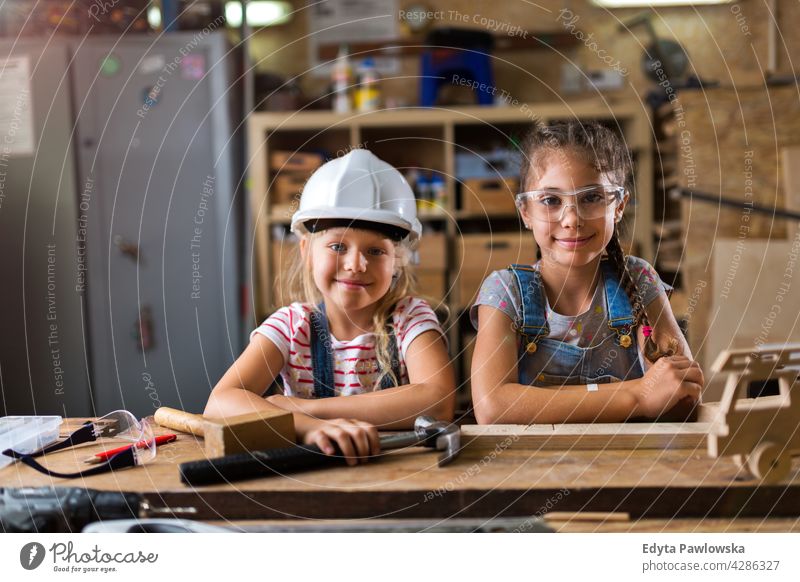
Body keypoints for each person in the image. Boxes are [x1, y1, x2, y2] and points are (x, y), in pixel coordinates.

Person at [205, 149, 455, 464]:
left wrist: (304, 408)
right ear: (308, 251)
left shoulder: (410, 318)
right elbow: (219, 402)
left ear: (398, 261)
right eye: (338, 246)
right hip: (307, 479)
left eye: (376, 251)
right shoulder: (291, 325)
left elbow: (438, 399)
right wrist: (306, 427)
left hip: (395, 474)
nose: (356, 264)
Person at [470, 121, 703, 424]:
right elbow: (492, 407)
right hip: (530, 467)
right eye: (551, 200)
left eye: (592, 197)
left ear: (619, 206)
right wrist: (639, 395)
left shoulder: (638, 280)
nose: (571, 219)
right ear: (526, 212)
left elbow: (679, 396)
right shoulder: (505, 292)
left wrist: (673, 388)